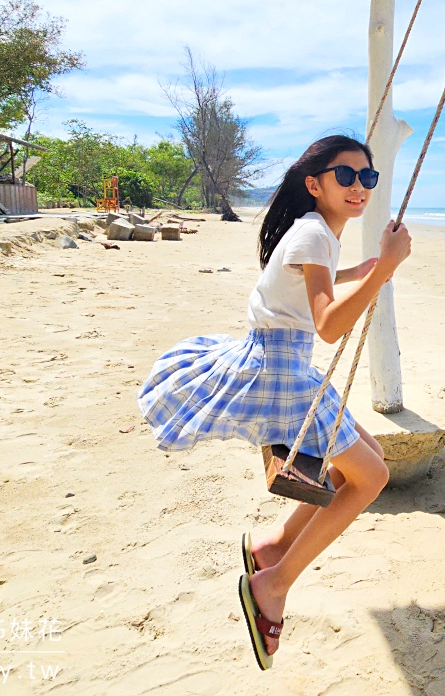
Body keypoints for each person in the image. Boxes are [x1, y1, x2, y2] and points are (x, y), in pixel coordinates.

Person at [137, 135, 410, 669]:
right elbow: (329, 326)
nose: (359, 187)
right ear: (316, 184)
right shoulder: (313, 233)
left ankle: (271, 548)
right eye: (346, 176)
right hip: (282, 370)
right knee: (370, 479)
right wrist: (384, 270)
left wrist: (363, 269)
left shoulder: (318, 234)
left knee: (368, 458)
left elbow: (315, 287)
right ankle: (274, 585)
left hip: (282, 363)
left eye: (367, 178)